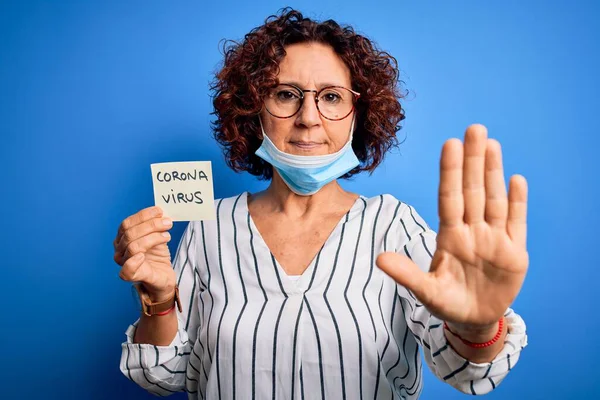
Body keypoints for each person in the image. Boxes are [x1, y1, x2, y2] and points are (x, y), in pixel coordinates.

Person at [114, 8, 528, 399]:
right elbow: (163, 375)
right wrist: (160, 302)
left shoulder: (393, 226)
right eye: (285, 94)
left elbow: (468, 368)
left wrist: (478, 329)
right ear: (254, 109)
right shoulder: (209, 229)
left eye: (331, 97)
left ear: (357, 114)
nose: (308, 117)